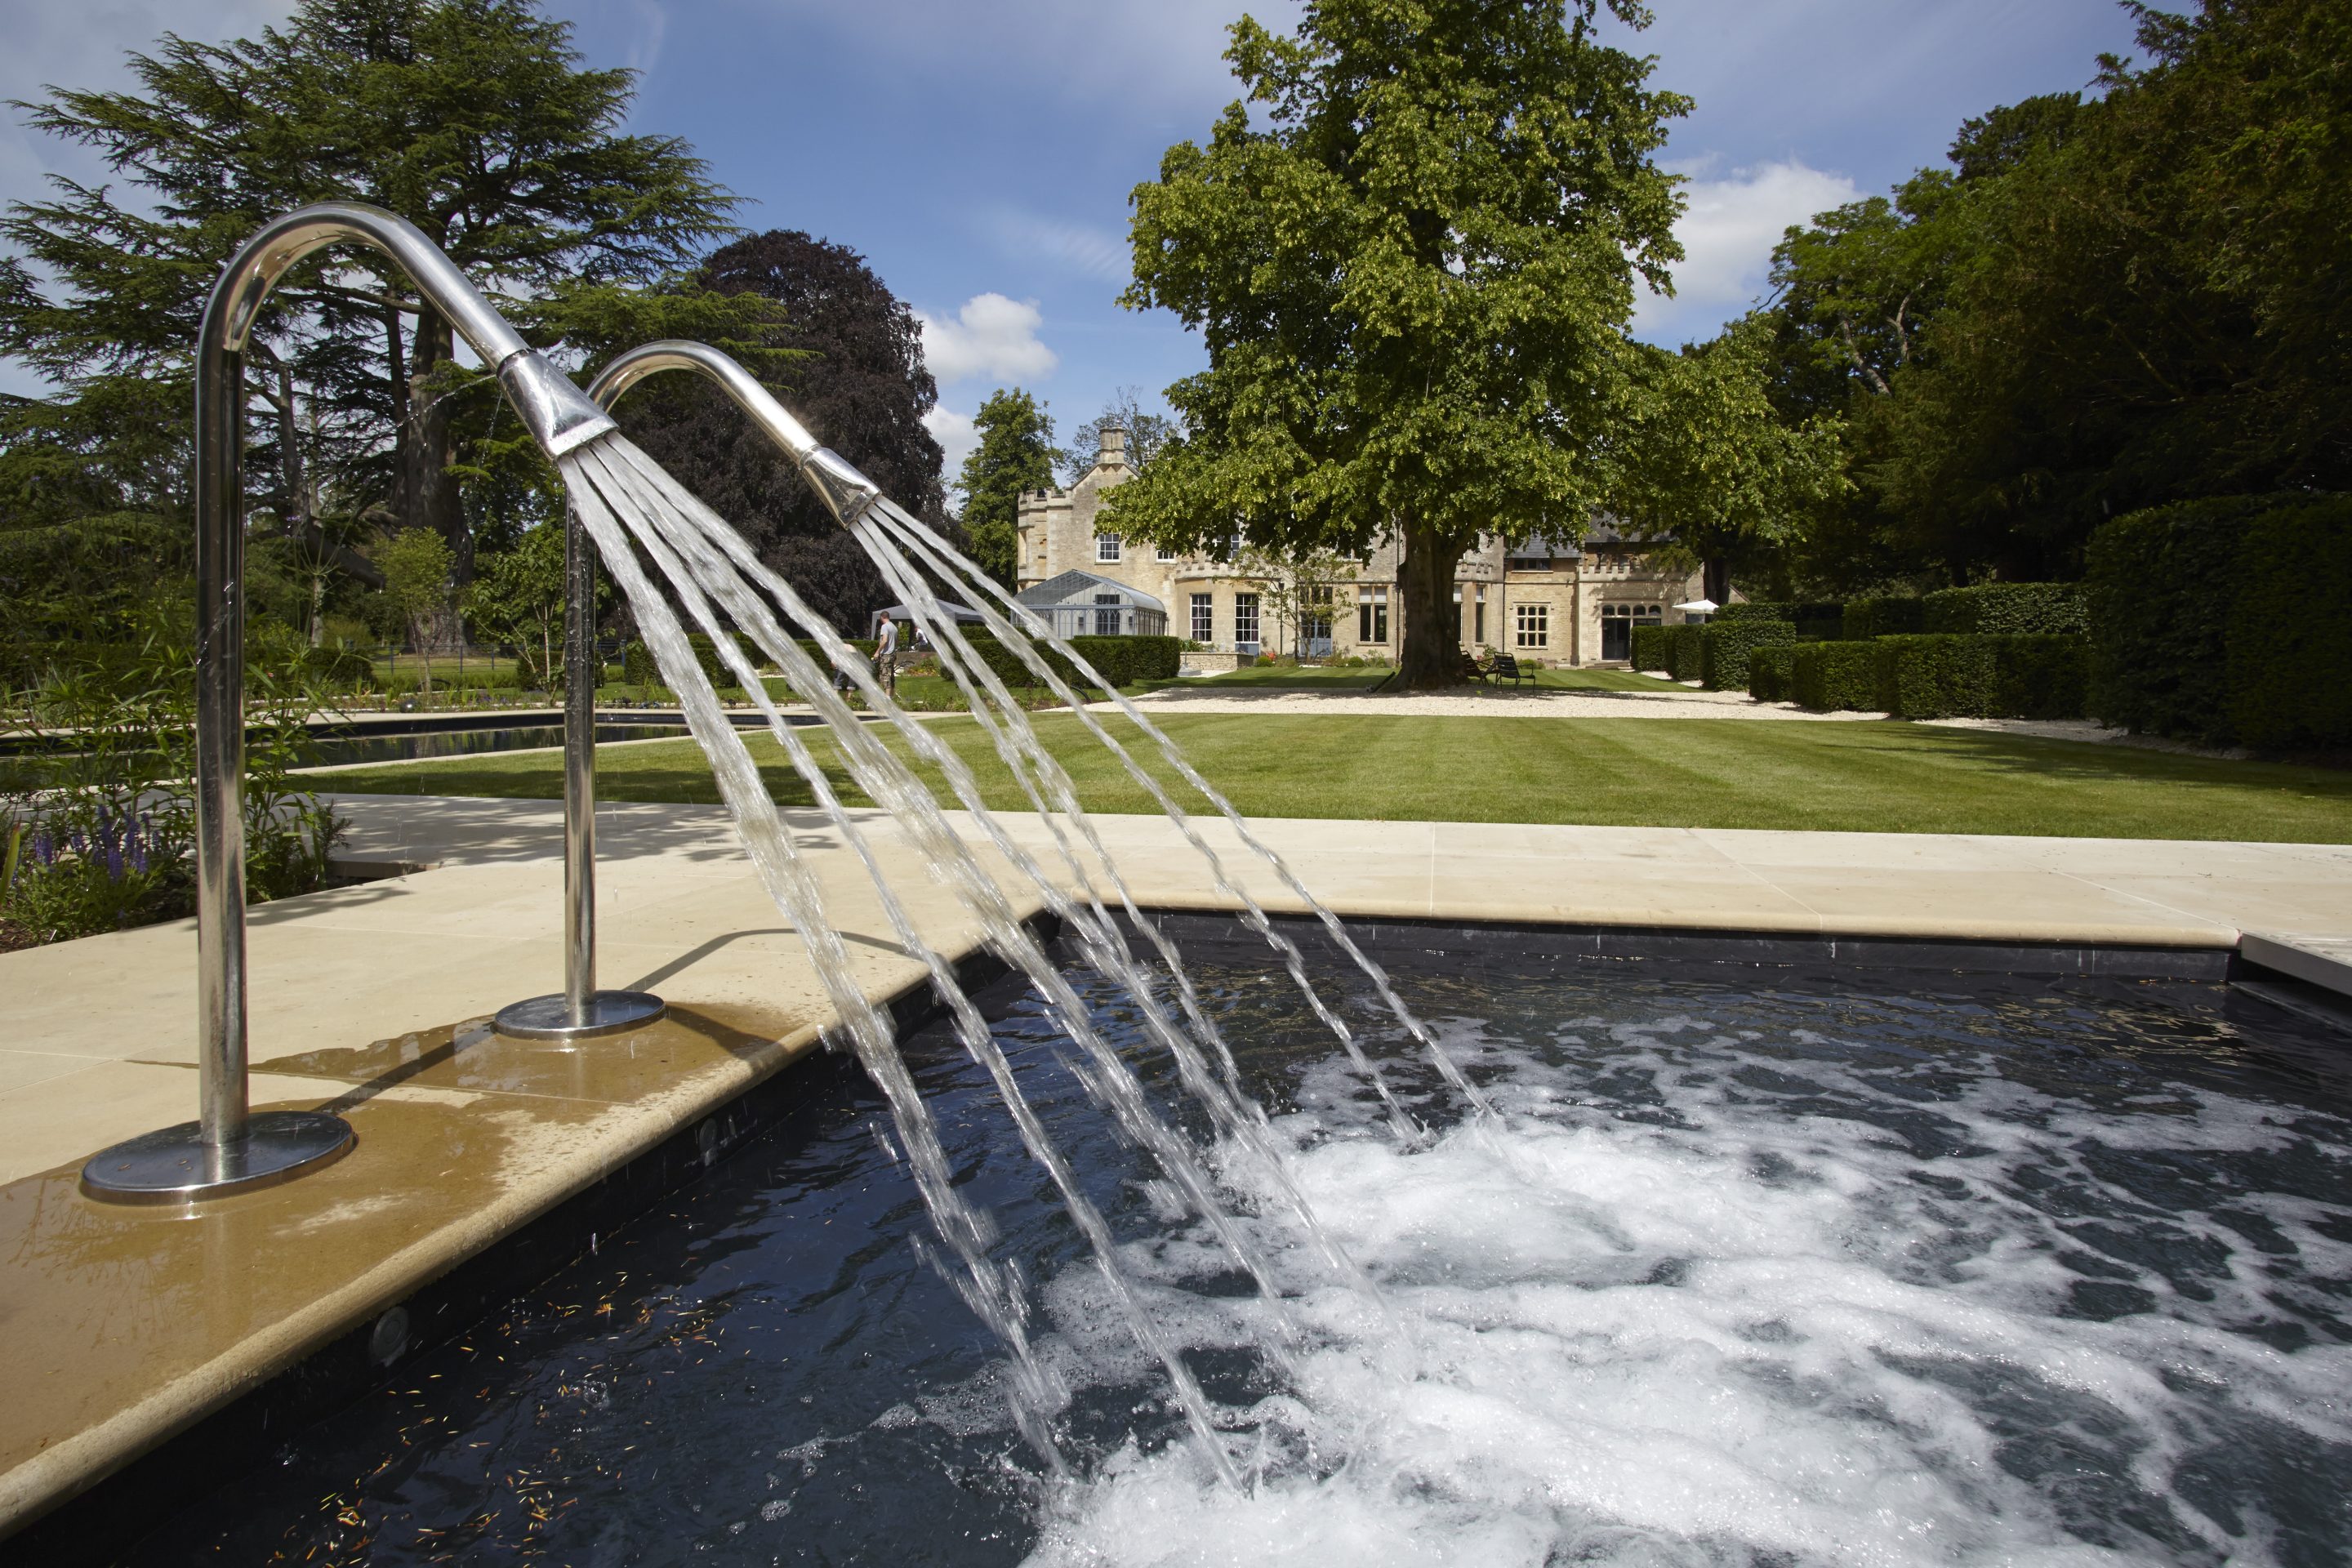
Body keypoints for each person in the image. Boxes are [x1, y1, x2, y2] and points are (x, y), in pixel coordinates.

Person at [874, 611, 899, 700]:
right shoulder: (894, 628)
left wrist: (877, 652)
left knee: (885, 675)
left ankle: (887, 698)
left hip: (886, 654)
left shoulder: (885, 626)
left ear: (882, 617)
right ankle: (891, 696)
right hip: (892, 654)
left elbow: (884, 641)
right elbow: (896, 642)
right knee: (890, 674)